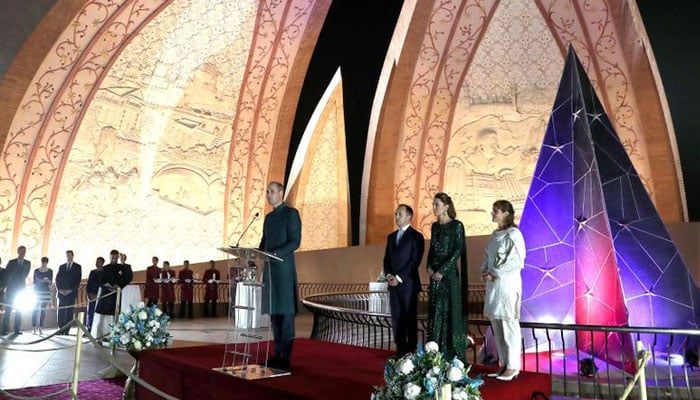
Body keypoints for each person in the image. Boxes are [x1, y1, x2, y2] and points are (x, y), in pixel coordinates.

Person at [481, 200, 525, 381]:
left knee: (509, 325)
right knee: (497, 327)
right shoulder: (495, 235)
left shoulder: (514, 235)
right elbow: (487, 256)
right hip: (494, 287)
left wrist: (495, 272)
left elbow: (516, 260)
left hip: (507, 286)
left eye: (496, 211)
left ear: (506, 213)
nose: (493, 214)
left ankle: (513, 365)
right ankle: (504, 364)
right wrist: (485, 270)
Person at [260, 181, 302, 371]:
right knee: (274, 315)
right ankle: (277, 354)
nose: (268, 195)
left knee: (285, 315)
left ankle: (285, 357)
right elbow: (264, 241)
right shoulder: (268, 218)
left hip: (283, 269)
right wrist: (256, 254)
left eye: (272, 192)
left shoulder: (291, 214)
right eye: (267, 192)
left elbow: (295, 241)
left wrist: (276, 253)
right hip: (270, 271)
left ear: (281, 193)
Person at [426, 192, 468, 362]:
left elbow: (458, 250)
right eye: (433, 204)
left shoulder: (457, 226)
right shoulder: (435, 226)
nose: (434, 207)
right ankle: (435, 353)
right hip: (435, 276)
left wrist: (443, 270)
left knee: (451, 311)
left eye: (437, 204)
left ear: (446, 206)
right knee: (436, 312)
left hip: (448, 276)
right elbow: (432, 248)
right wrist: (429, 266)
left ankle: (452, 354)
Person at [383, 204, 425, 358]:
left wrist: (399, 278)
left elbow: (414, 261)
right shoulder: (391, 237)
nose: (397, 217)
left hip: (408, 285)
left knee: (409, 317)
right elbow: (386, 259)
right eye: (396, 214)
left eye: (400, 214)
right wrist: (389, 276)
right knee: (396, 317)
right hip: (392, 285)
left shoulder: (416, 236)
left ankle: (410, 350)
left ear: (409, 217)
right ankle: (400, 349)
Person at [92, 249, 133, 338]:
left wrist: (118, 286)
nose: (114, 259)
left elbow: (128, 278)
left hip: (116, 296)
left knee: (114, 318)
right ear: (109, 257)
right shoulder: (105, 268)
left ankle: (114, 337)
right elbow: (100, 281)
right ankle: (100, 338)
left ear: (118, 257)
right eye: (112, 257)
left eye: (116, 257)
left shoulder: (122, 267)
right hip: (105, 295)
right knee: (102, 318)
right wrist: (109, 286)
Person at [2, 246, 31, 335]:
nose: (23, 252)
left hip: (21, 289)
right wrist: (5, 286)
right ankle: (5, 329)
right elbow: (7, 274)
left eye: (24, 251)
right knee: (8, 309)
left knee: (19, 309)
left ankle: (17, 329)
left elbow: (25, 274)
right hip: (11, 289)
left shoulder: (27, 263)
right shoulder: (12, 262)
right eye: (21, 251)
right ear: (18, 251)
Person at [55, 250, 82, 335]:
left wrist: (71, 290)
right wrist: (60, 290)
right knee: (61, 311)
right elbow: (57, 279)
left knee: (69, 311)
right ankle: (61, 328)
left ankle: (67, 330)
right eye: (67, 256)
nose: (68, 257)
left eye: (70, 255)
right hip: (62, 293)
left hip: (71, 293)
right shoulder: (62, 266)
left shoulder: (77, 266)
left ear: (73, 256)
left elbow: (78, 280)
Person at [32, 257, 53, 335]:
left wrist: (48, 281)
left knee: (43, 310)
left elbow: (51, 282)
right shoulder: (36, 271)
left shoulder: (50, 271)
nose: (44, 264)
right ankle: (34, 326)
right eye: (43, 262)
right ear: (41, 262)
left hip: (45, 291)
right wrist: (42, 281)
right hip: (37, 291)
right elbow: (34, 281)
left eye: (45, 262)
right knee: (35, 309)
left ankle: (41, 327)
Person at [85, 256, 104, 331]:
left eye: (99, 262)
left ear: (102, 263)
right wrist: (89, 293)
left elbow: (102, 284)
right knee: (90, 313)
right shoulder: (92, 272)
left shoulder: (104, 273)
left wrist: (97, 294)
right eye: (96, 261)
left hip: (99, 296)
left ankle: (96, 329)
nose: (97, 263)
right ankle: (89, 328)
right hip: (91, 295)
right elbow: (89, 283)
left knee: (97, 314)